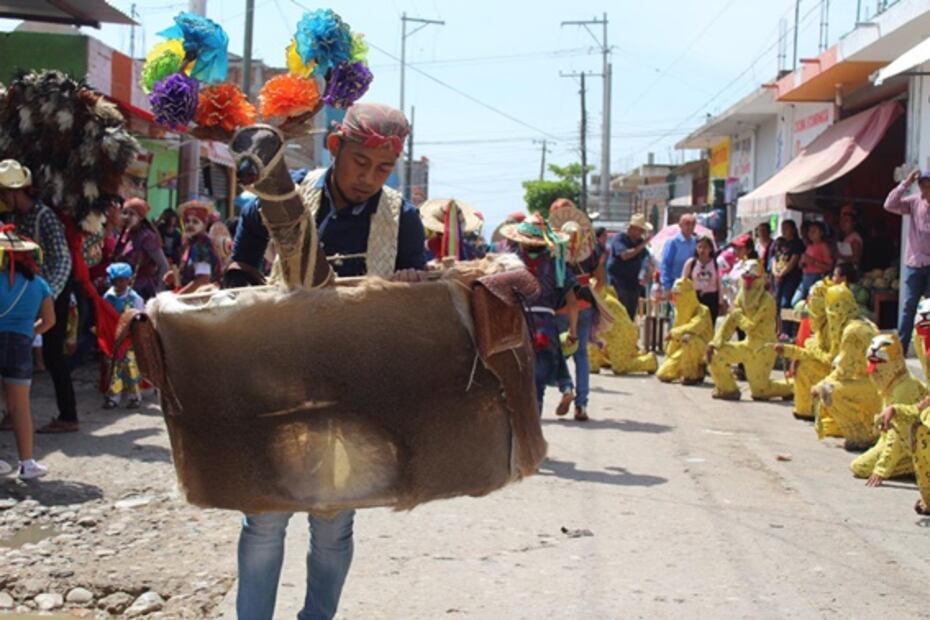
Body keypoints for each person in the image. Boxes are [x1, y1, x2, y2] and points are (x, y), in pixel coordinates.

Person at [229, 102, 426, 620]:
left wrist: (406, 290)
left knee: (332, 524)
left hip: (353, 390)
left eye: (383, 169)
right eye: (361, 162)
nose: (369, 178)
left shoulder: (401, 217)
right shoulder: (279, 196)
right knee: (265, 518)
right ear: (335, 147)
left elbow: (417, 307)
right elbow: (239, 271)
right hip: (276, 380)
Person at [0, 159, 77, 434]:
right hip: (22, 292)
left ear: (14, 191)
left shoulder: (44, 216)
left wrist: (48, 294)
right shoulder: (11, 219)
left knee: (53, 355)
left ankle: (69, 415)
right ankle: (12, 411)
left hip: (49, 290)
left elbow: (62, 259)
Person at [499, 211, 579, 414]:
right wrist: (573, 330)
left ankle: (526, 417)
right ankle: (561, 391)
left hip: (519, 323)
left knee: (517, 371)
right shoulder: (557, 264)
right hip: (547, 325)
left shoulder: (511, 263)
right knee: (541, 373)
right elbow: (572, 301)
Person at [0, 226, 55, 478]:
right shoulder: (40, 285)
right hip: (21, 345)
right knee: (20, 407)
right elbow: (49, 321)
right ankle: (27, 463)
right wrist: (29, 331)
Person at [706, 259, 792, 401]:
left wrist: (736, 314)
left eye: (752, 279)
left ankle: (792, 387)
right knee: (715, 354)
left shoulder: (768, 301)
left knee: (759, 392)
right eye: (745, 278)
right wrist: (716, 341)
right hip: (748, 344)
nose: (747, 283)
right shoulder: (741, 296)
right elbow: (730, 321)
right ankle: (728, 390)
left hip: (764, 348)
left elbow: (751, 326)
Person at [812, 284, 882, 450]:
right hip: (877, 386)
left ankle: (859, 437)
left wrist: (819, 386)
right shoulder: (864, 323)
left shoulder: (852, 332)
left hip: (875, 389)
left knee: (830, 390)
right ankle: (871, 431)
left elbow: (843, 371)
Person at [550, 200, 601, 421]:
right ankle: (582, 405)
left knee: (559, 354)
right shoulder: (590, 251)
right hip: (586, 306)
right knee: (581, 355)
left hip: (562, 308)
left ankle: (566, 388)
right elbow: (600, 279)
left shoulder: (554, 250)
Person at [851, 334, 922, 486]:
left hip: (910, 438)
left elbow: (898, 433)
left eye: (880, 364)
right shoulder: (892, 382)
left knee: (860, 468)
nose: (875, 371)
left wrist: (882, 469)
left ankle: (915, 465)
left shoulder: (904, 389)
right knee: (859, 465)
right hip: (902, 439)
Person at [773, 279, 833, 420]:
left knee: (806, 366)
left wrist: (808, 347)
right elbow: (805, 346)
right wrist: (789, 351)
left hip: (833, 367)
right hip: (818, 360)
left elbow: (828, 355)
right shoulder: (813, 321)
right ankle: (805, 409)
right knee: (802, 365)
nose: (809, 302)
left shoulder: (833, 325)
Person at [884, 169, 930, 353]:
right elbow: (889, 204)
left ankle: (927, 348)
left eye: (929, 186)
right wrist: (906, 182)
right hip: (914, 263)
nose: (926, 190)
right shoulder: (914, 202)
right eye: (923, 186)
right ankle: (901, 348)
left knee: (928, 308)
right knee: (908, 306)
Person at [101, 262, 144, 410]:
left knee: (131, 367)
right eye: (116, 280)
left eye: (122, 280)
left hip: (130, 339)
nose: (119, 284)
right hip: (114, 338)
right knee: (113, 368)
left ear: (128, 280)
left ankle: (135, 397)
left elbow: (141, 317)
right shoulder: (108, 297)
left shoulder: (135, 298)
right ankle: (113, 397)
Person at [656, 278, 713, 384]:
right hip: (682, 348)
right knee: (663, 374)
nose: (676, 298)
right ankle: (688, 370)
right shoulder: (679, 312)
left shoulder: (703, 310)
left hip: (701, 348)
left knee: (689, 338)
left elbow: (694, 326)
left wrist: (673, 333)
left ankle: (694, 375)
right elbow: (674, 339)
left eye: (678, 294)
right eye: (675, 294)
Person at [113, 197, 169, 301]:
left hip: (141, 290)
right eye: (125, 213)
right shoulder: (125, 234)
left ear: (141, 217)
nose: (127, 217)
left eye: (132, 214)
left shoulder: (147, 237)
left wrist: (159, 292)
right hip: (123, 288)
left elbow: (163, 265)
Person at [166, 200, 224, 295]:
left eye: (195, 222)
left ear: (204, 225)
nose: (190, 225)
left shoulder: (202, 245)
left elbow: (203, 279)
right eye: (187, 221)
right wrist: (176, 275)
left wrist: (179, 296)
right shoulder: (191, 243)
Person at [606, 213, 652, 321]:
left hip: (633, 285)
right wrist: (643, 244)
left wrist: (647, 273)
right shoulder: (620, 238)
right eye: (639, 230)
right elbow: (625, 255)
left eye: (642, 230)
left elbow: (646, 259)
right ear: (631, 228)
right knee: (619, 314)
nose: (640, 233)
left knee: (630, 316)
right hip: (618, 283)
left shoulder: (639, 242)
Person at [682, 235, 721, 325]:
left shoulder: (715, 264)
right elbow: (683, 282)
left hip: (711, 298)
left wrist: (720, 301)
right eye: (699, 247)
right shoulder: (691, 263)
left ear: (710, 249)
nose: (702, 250)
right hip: (695, 298)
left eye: (705, 247)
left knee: (709, 326)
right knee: (694, 325)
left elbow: (719, 283)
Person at [793, 220, 832, 306]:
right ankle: (803, 319)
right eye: (810, 231)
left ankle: (806, 319)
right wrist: (802, 263)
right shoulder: (809, 246)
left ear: (821, 233)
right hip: (805, 277)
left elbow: (829, 267)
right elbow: (801, 265)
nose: (811, 233)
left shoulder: (823, 246)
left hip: (816, 278)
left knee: (810, 304)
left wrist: (813, 262)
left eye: (814, 231)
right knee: (796, 302)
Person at [659, 213, 697, 294]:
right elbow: (666, 264)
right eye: (687, 223)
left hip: (691, 284)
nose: (690, 227)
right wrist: (667, 286)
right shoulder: (673, 242)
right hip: (675, 284)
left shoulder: (696, 242)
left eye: (693, 224)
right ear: (680, 225)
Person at [771, 219, 804, 310]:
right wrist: (776, 273)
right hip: (777, 277)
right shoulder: (779, 242)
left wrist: (782, 273)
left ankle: (787, 324)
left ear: (793, 230)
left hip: (791, 277)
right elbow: (774, 259)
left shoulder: (797, 243)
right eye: (782, 228)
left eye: (786, 228)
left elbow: (794, 261)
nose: (783, 231)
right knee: (775, 303)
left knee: (785, 303)